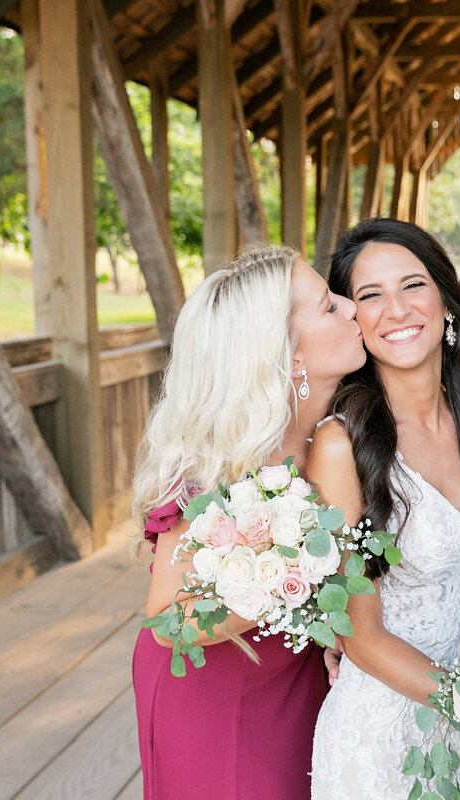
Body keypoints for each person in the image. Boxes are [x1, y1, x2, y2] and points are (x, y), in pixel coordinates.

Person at [130, 243, 367, 800]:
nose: (352, 306)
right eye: (329, 306)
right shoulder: (216, 462)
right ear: (287, 355)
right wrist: (295, 572)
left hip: (294, 679)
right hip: (215, 695)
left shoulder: (336, 439)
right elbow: (171, 621)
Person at [307, 218, 460, 798]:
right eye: (369, 295)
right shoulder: (342, 446)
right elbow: (358, 632)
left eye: (412, 285)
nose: (396, 309)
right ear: (354, 319)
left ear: (447, 301)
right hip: (387, 734)